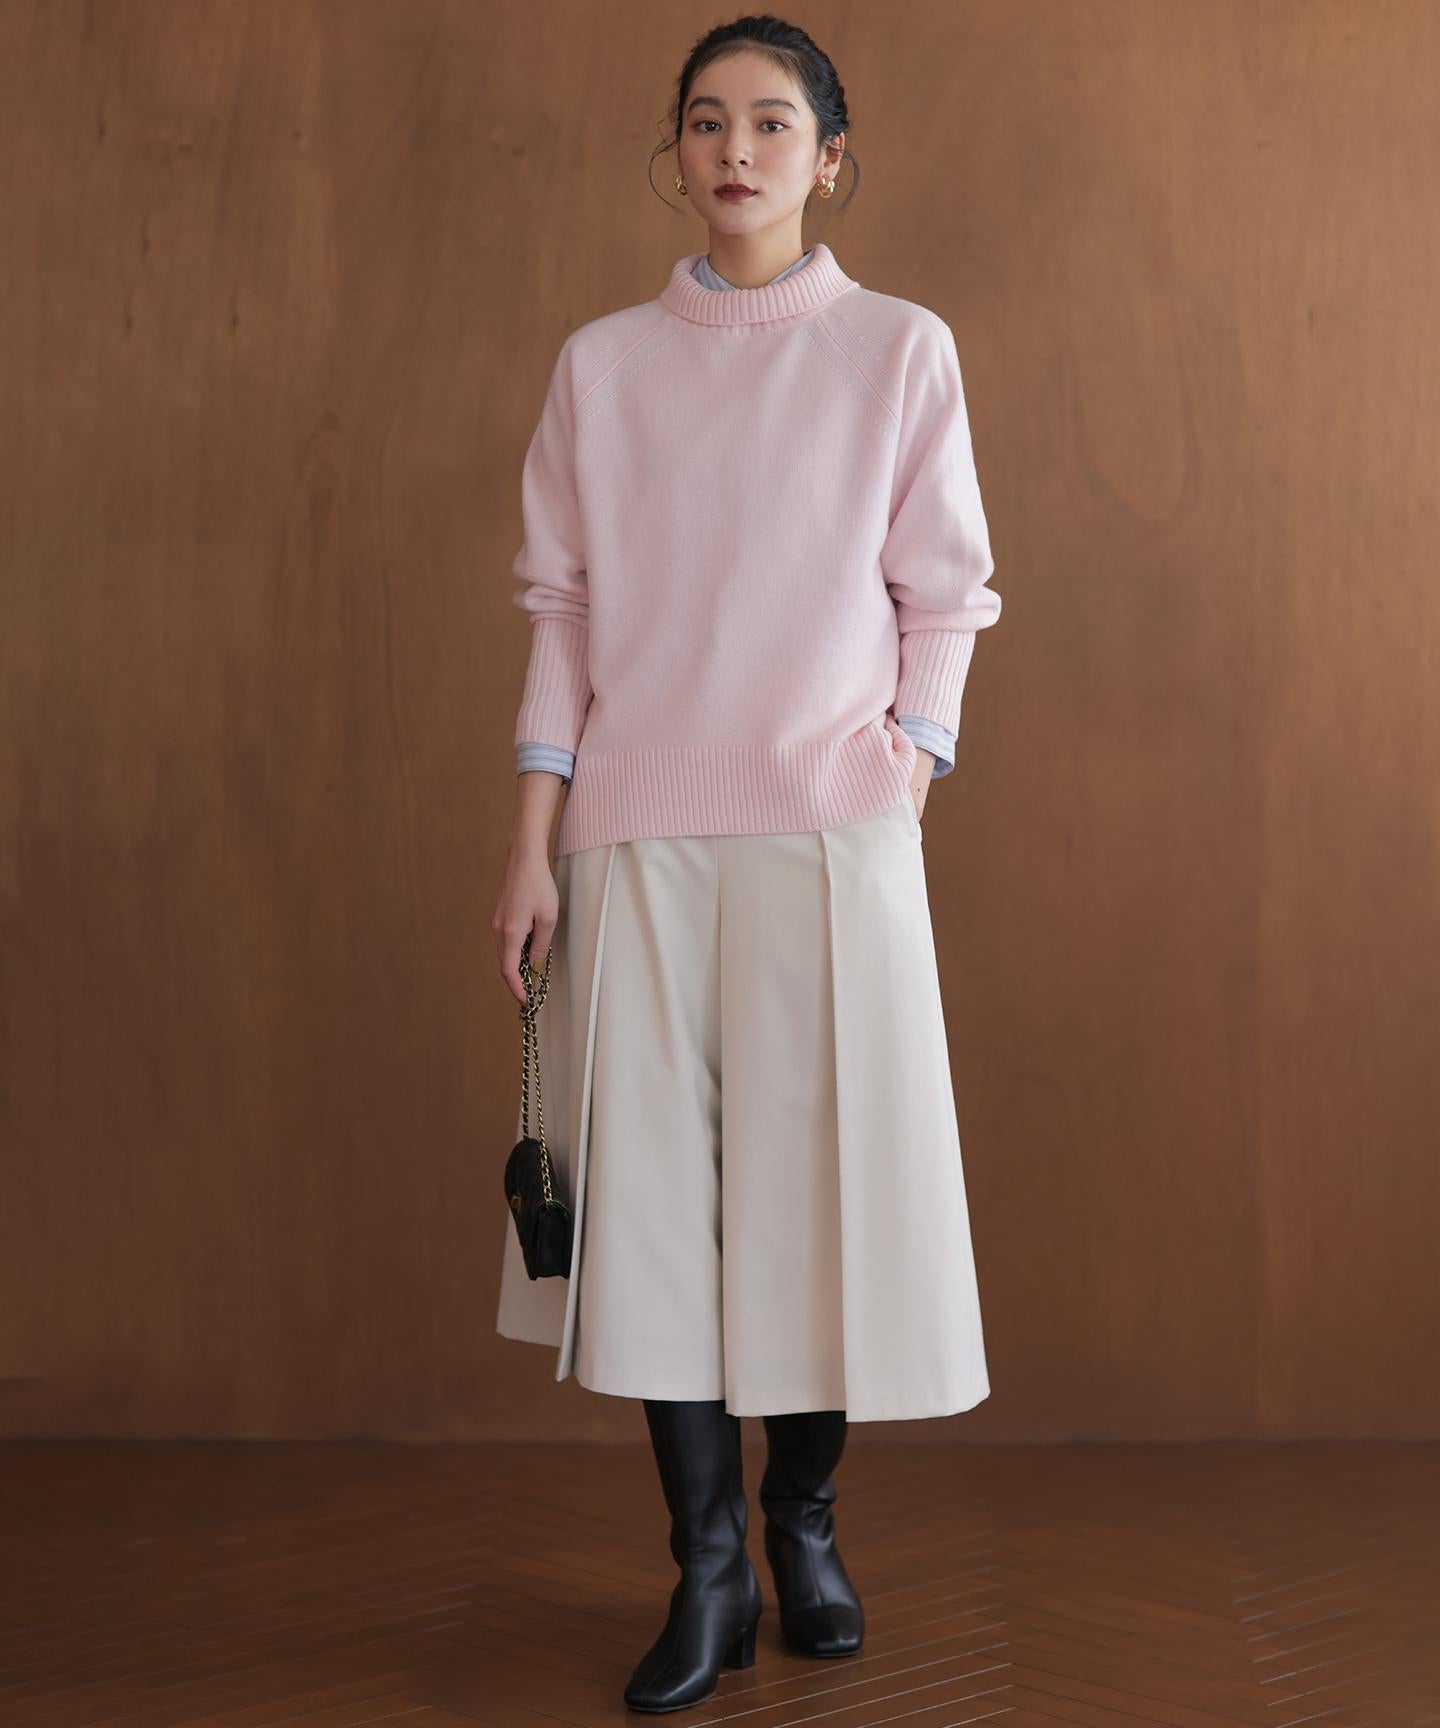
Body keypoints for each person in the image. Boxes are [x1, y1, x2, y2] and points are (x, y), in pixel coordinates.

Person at [491, 14, 1000, 1714]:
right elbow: (562, 617)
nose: (736, 149)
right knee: (656, 1218)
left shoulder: (899, 350)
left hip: (831, 834)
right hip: (634, 838)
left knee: (817, 1200)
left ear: (829, 158)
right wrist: (531, 849)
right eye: (707, 120)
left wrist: (902, 774)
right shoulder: (603, 367)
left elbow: (947, 596)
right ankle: (705, 1566)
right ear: (678, 150)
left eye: (773, 122)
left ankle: (804, 1524)